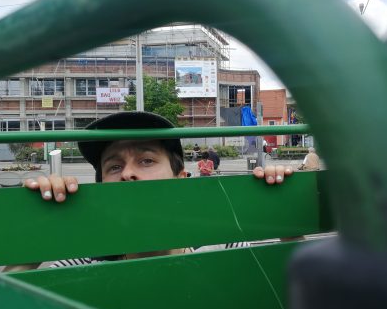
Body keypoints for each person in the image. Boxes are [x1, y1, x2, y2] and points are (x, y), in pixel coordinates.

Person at [19, 111, 292, 269]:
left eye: (146, 160)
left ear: (181, 179)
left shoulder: (225, 248)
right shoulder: (80, 264)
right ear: (101, 187)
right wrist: (36, 232)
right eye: (114, 167)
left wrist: (281, 200)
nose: (127, 173)